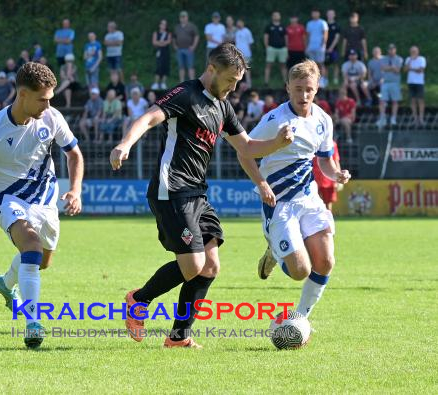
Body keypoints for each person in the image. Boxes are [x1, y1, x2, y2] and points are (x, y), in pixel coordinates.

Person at [109, 43, 294, 348]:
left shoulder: (223, 107)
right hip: (172, 189)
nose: (234, 88)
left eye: (238, 82)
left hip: (197, 192)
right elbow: (148, 118)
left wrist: (276, 143)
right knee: (193, 265)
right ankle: (137, 300)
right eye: (231, 80)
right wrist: (124, 144)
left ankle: (179, 337)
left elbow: (246, 147)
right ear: (212, 70)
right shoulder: (185, 94)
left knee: (210, 265)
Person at [0, 62, 84, 349]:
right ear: (22, 95)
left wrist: (75, 190)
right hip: (6, 199)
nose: (48, 105)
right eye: (43, 98)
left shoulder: (51, 118)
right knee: (32, 249)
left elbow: (74, 154)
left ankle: (5, 281)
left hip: (46, 198)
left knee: (42, 261)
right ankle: (33, 322)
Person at [240, 59, 351, 325]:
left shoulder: (323, 120)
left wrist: (335, 173)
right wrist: (262, 184)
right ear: (288, 87)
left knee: (325, 262)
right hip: (280, 204)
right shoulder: (275, 119)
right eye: (298, 88)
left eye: (309, 89)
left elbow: (324, 159)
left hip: (309, 199)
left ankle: (300, 319)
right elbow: (244, 151)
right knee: (301, 270)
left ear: (317, 88)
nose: (303, 95)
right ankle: (273, 252)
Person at [376, 44, 403, 129]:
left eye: (393, 49)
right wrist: (392, 68)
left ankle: (393, 118)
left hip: (395, 82)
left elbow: (398, 70)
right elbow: (383, 68)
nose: (391, 51)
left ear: (395, 50)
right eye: (390, 49)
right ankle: (382, 118)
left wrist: (389, 68)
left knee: (395, 101)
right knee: (382, 101)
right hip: (385, 82)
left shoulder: (399, 59)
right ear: (388, 50)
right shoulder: (383, 59)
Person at [313, 141, 341, 211]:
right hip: (314, 177)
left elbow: (336, 160)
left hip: (328, 178)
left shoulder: (332, 144)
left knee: (328, 202)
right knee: (315, 201)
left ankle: (328, 220)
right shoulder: (313, 141)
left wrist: (338, 177)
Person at [173, 10, 199, 82]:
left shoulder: (191, 26)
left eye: (184, 17)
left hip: (189, 49)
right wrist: (175, 45)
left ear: (187, 17)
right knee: (181, 67)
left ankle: (192, 82)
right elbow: (174, 37)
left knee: (190, 66)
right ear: (179, 18)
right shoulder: (177, 27)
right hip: (179, 50)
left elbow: (196, 36)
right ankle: (182, 82)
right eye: (181, 17)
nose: (183, 18)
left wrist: (193, 46)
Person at [403, 46, 426, 127]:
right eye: (412, 51)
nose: (413, 52)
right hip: (410, 82)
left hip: (419, 83)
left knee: (420, 101)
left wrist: (411, 68)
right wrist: (410, 62)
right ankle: (415, 118)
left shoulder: (422, 59)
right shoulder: (408, 59)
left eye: (415, 51)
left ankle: (421, 118)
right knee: (412, 101)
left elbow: (421, 70)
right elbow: (405, 70)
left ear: (418, 51)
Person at [264, 11, 288, 86]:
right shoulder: (269, 26)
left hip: (282, 49)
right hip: (271, 48)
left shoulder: (283, 26)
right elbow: (266, 37)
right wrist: (267, 47)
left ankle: (285, 82)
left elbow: (286, 38)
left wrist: (286, 47)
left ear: (280, 17)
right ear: (272, 17)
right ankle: (266, 82)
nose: (276, 17)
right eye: (274, 15)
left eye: (277, 15)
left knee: (283, 65)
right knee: (268, 65)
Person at [305, 9, 328, 85]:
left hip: (320, 47)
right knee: (312, 64)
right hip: (311, 47)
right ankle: (314, 79)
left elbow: (325, 33)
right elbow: (308, 36)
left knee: (321, 63)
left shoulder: (322, 22)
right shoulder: (309, 23)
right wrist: (306, 46)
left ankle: (323, 80)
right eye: (313, 13)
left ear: (319, 14)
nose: (315, 14)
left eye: (316, 13)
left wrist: (323, 44)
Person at [152, 19, 172, 90]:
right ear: (159, 25)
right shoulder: (156, 33)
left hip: (166, 52)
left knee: (165, 66)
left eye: (165, 24)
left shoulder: (168, 33)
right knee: (158, 66)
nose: (163, 26)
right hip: (159, 52)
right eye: (162, 24)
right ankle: (156, 83)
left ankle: (163, 83)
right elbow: (154, 42)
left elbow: (168, 42)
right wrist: (163, 43)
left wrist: (159, 43)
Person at [235, 19, 254, 88]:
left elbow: (250, 43)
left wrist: (250, 52)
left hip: (246, 54)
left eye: (240, 23)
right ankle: (237, 86)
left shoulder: (247, 31)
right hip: (237, 54)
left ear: (243, 23)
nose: (239, 24)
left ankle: (249, 85)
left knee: (247, 70)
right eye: (238, 23)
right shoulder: (236, 32)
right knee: (238, 69)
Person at [325, 9, 341, 85]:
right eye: (329, 14)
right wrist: (325, 47)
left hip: (334, 48)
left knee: (336, 64)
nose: (330, 15)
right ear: (327, 15)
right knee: (325, 64)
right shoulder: (324, 24)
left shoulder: (337, 25)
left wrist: (331, 47)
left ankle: (335, 79)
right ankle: (326, 79)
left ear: (334, 15)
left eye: (332, 14)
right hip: (324, 48)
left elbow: (337, 38)